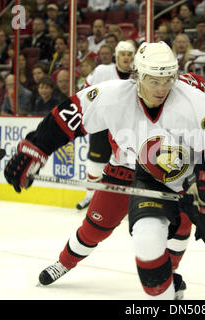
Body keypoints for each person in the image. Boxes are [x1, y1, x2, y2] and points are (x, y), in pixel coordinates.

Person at [3, 42, 205, 300]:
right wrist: (34, 149)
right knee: (137, 236)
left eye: (167, 80)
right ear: (138, 75)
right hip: (141, 175)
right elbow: (67, 116)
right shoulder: (113, 96)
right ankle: (69, 264)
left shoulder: (193, 101)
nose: (162, 89)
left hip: (191, 177)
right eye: (154, 81)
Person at [76, 41, 136, 210]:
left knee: (127, 167)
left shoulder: (139, 75)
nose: (126, 57)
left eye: (129, 54)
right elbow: (84, 90)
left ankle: (127, 203)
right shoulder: (102, 71)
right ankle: (90, 195)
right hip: (103, 126)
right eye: (122, 54)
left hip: (127, 129)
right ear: (116, 56)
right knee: (95, 164)